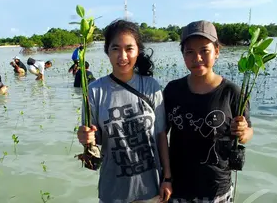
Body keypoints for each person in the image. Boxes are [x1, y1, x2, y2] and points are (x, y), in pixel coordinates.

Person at [77, 19, 172, 203]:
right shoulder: (94, 90)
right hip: (112, 190)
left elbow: (161, 136)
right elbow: (94, 141)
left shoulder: (151, 86)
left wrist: (167, 178)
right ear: (107, 51)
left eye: (129, 49)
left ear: (138, 51)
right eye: (115, 48)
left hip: (151, 188)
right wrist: (85, 138)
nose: (123, 56)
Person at [163, 20, 254, 203]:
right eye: (190, 52)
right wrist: (166, 177)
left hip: (216, 187)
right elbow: (161, 135)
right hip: (178, 187)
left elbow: (248, 132)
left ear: (217, 52)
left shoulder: (232, 92)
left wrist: (243, 132)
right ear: (183, 55)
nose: (197, 58)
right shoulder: (172, 90)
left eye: (205, 50)